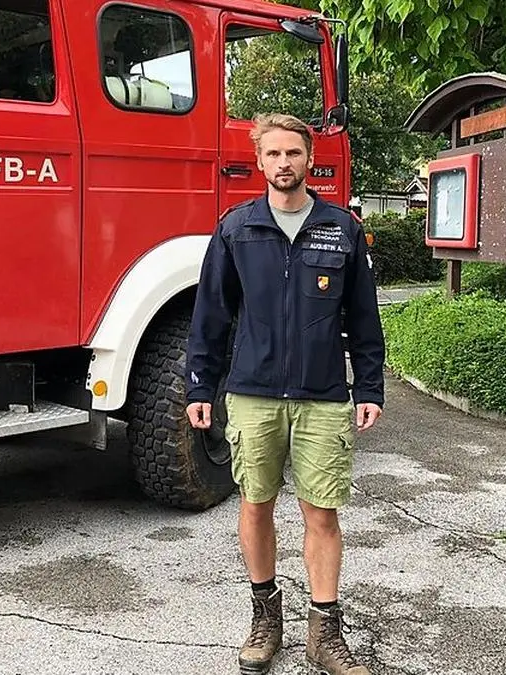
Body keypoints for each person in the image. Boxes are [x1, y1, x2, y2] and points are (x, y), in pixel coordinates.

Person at [185, 112, 386, 675]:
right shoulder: (236, 228)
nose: (283, 164)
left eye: (292, 154)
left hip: (324, 395)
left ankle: (325, 633)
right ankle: (265, 619)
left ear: (308, 157)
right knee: (255, 504)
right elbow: (211, 316)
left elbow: (363, 317)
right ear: (259, 161)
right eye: (272, 155)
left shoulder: (340, 228)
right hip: (253, 393)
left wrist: (368, 384)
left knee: (321, 512)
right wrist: (201, 383)